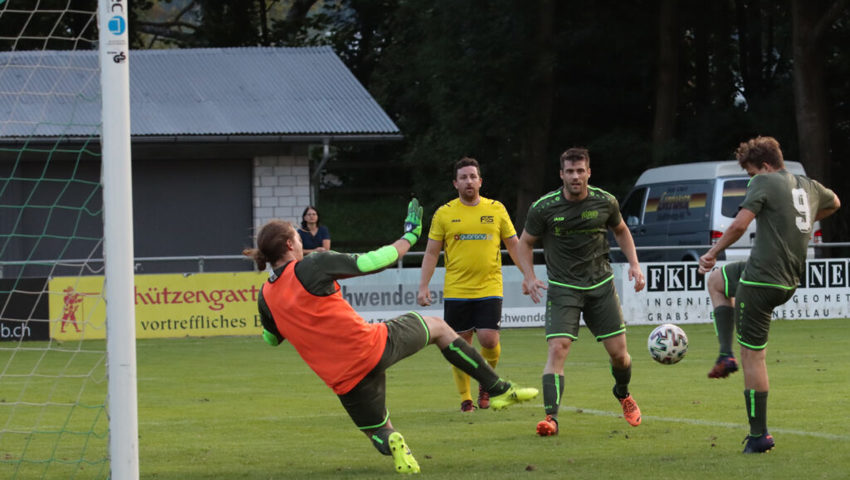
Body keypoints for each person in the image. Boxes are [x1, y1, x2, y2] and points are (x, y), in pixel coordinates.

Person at [244, 197, 538, 474]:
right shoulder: (311, 265)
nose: (299, 241)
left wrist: (278, 317)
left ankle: (395, 442)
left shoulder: (266, 295)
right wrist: (409, 236)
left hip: (343, 379)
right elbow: (373, 261)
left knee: (378, 430)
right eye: (296, 237)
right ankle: (497, 388)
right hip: (372, 346)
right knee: (438, 327)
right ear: (289, 244)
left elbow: (270, 339)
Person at [698, 136, 840, 453]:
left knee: (754, 357)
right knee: (718, 282)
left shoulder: (763, 181)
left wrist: (712, 253)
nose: (751, 180)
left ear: (764, 166)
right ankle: (724, 352)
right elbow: (835, 203)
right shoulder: (808, 185)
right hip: (784, 277)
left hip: (762, 282)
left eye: (750, 173)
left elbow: (737, 226)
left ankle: (759, 435)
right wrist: (795, 220)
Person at [516, 147, 646, 436]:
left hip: (600, 286)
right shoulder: (544, 207)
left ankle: (623, 393)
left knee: (620, 356)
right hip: (563, 289)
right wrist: (529, 276)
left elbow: (622, 230)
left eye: (580, 171)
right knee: (557, 348)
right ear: (561, 174)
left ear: (589, 172)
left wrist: (635, 265)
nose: (575, 176)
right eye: (570, 172)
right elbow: (524, 242)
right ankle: (551, 418)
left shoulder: (605, 202)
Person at [417, 157, 525, 412]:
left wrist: (528, 276)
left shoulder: (496, 209)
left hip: (489, 286)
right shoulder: (444, 213)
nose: (468, 181)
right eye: (463, 177)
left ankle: (486, 384)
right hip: (457, 289)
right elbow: (432, 252)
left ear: (480, 181)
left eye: (473, 176)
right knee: (460, 346)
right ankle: (466, 398)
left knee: (488, 339)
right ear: (455, 183)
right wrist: (424, 285)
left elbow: (514, 245)